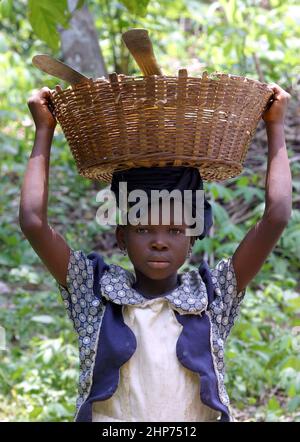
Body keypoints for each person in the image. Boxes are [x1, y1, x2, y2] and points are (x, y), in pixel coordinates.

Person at [19, 84, 292, 422]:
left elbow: (277, 215)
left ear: (192, 239)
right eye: (144, 229)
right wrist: (44, 128)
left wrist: (275, 125)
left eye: (175, 231)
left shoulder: (212, 296)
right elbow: (33, 222)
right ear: (122, 237)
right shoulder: (95, 294)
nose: (159, 241)